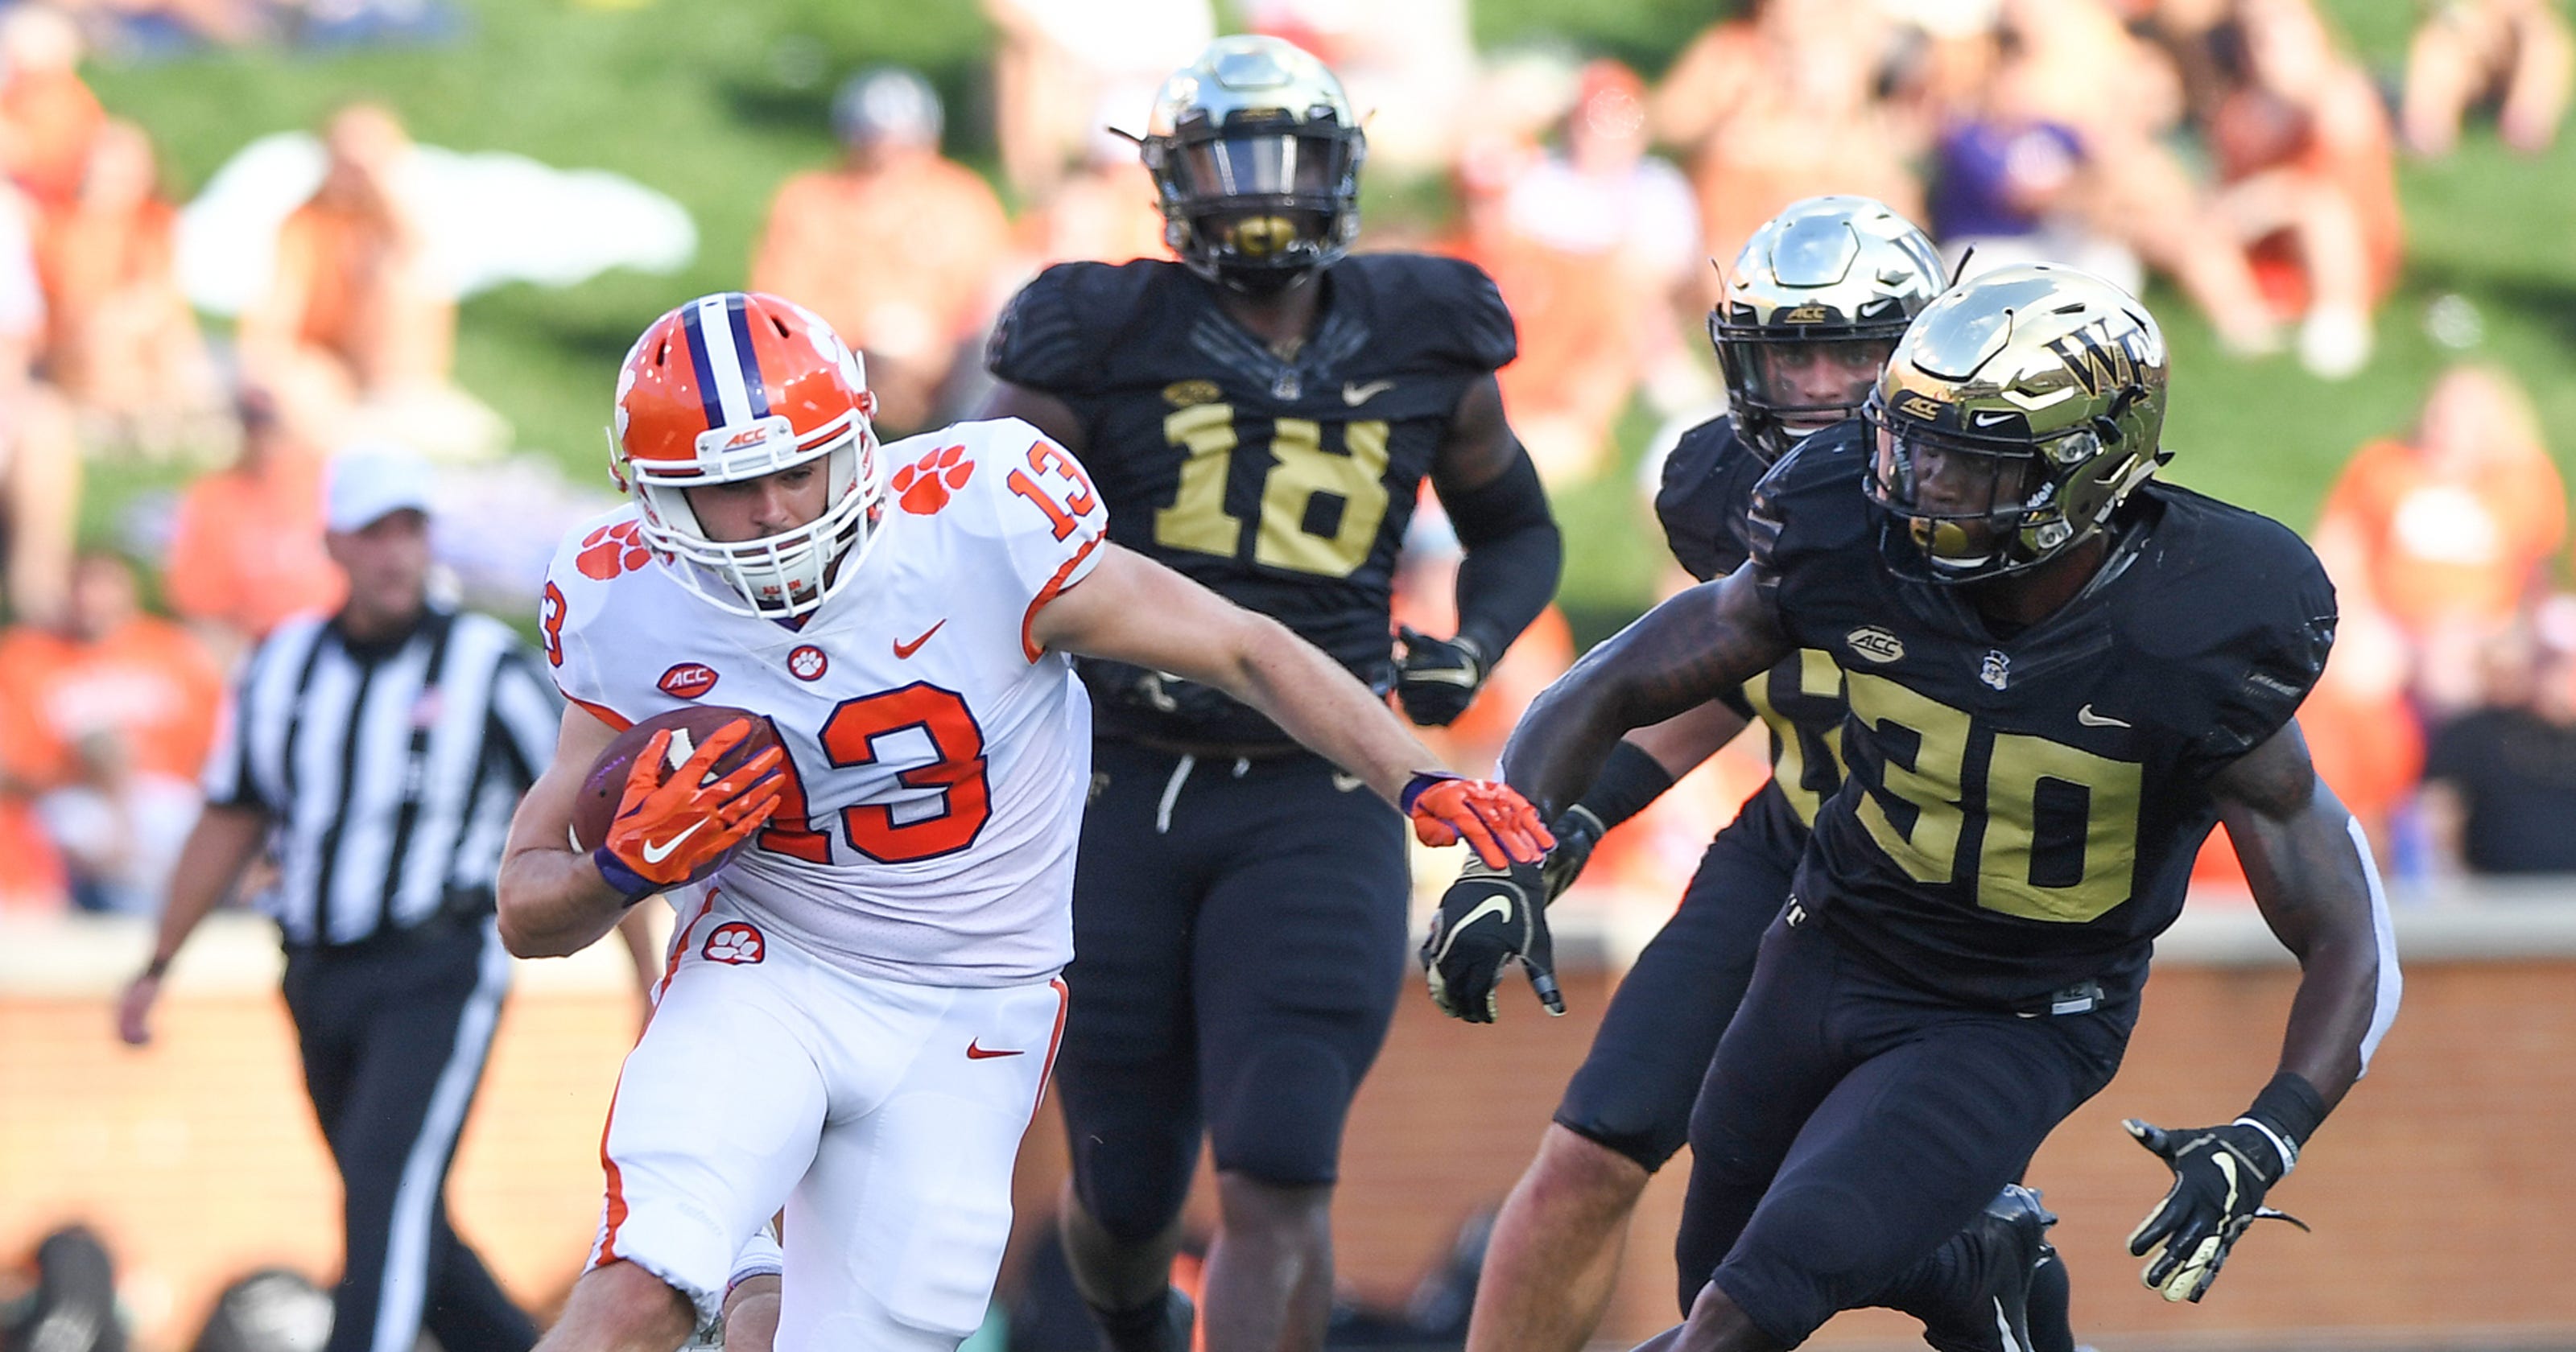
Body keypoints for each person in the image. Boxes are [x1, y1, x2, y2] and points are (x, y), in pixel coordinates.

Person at [496, 290, 1549, 1352]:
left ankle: (760, 1288)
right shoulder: (621, 598)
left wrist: (1416, 779)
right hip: (770, 963)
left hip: (971, 1005)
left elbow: (1243, 648)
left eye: (793, 468)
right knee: (645, 1286)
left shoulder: (979, 519)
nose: (773, 509)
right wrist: (620, 873)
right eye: (731, 488)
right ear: (660, 500)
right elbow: (527, 902)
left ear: (855, 442)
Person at [1429, 264, 2401, 1352]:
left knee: (1744, 1314)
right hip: (1827, 945)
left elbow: (2346, 930)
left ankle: (1956, 1255)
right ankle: (1964, 1265)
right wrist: (1507, 854)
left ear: (2087, 472)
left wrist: (2272, 1129)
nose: (1919, 481)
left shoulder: (2204, 625)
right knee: (1715, 1275)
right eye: (1911, 441)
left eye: (1968, 461)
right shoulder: (1842, 524)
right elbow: (1612, 684)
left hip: (2019, 1013)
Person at [976, 35, 1564, 1352]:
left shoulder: (1427, 331)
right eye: (1227, 163)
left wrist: (1474, 640)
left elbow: (1518, 530)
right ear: (1171, 181)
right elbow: (964, 521)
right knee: (1124, 1196)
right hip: (1117, 782)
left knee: (1282, 1170)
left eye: (1283, 160)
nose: (1257, 193)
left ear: (1343, 168)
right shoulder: (1101, 328)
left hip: (1321, 790)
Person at [1434, 196, 2088, 1352]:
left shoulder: (2008, 499)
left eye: (1858, 349)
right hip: (1792, 845)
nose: (1826, 385)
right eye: (1794, 352)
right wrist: (1562, 828)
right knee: (1591, 1153)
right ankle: (1973, 1264)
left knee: (1810, 1241)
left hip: (1963, 903)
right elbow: (1731, 685)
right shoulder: (1722, 491)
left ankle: (1969, 1268)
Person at [114, 447, 644, 1352]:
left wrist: (649, 976)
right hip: (318, 968)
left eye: (410, 531)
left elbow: (591, 819)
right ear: (334, 545)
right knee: (394, 1211)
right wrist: (159, 962)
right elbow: (230, 816)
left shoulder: (485, 664)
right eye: (374, 534)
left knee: (385, 1189)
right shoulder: (283, 666)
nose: (396, 553)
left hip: (436, 963)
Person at [749, 67, 1012, 437]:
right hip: (839, 367)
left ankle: (967, 435)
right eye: (874, 145)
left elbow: (989, 296)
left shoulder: (964, 200)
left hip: (948, 367)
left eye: (904, 148)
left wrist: (938, 350)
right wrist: (859, 348)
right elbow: (778, 313)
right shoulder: (808, 202)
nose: (889, 162)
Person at [0, 550, 224, 913]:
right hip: (69, 799)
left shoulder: (172, 650)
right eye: (82, 584)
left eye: (105, 584)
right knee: (90, 838)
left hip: (162, 799)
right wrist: (86, 769)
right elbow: (12, 766)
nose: (92, 597)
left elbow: (213, 750)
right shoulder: (27, 655)